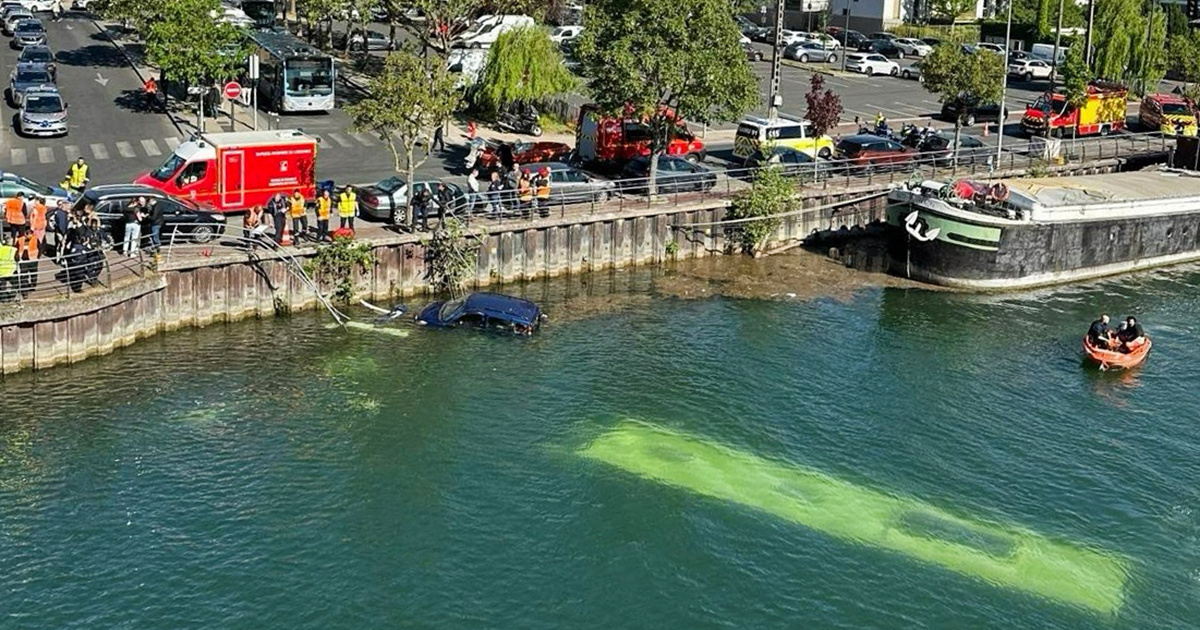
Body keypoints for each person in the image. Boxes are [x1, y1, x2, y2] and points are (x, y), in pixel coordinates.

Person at [16, 227, 38, 295]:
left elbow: (40, 247)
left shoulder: (35, 238)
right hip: (24, 260)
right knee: (24, 276)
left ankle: (33, 285)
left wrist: (37, 256)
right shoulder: (20, 239)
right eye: (26, 232)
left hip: (32, 259)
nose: (27, 234)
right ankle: (25, 292)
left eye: (29, 232)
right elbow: (16, 247)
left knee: (33, 274)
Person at [0, 235, 16, 301]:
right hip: (11, 271)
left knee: (2, 286)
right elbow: (17, 258)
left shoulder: (1, 249)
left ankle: (4, 299)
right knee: (15, 284)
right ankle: (12, 296)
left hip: (2, 271)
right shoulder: (14, 250)